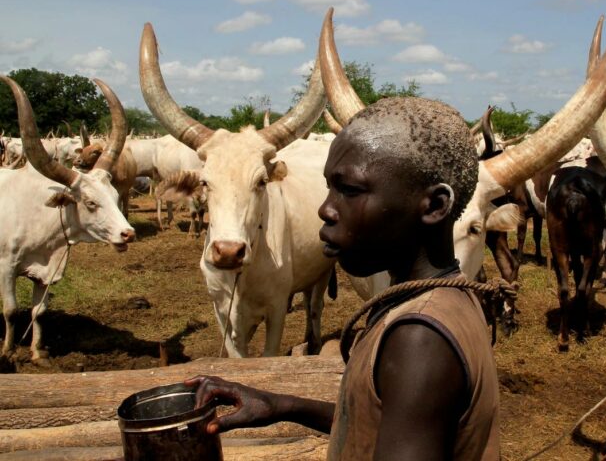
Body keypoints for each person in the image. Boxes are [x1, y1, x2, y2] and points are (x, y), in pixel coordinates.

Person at [186, 97, 501, 461]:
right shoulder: (445, 296)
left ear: (433, 207)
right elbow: (390, 420)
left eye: (348, 191)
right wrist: (282, 405)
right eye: (329, 188)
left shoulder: (419, 337)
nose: (324, 209)